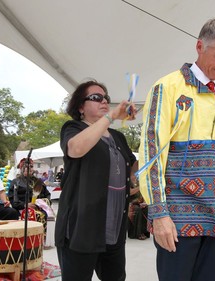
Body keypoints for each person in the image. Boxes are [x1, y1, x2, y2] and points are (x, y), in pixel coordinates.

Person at [138, 17, 215, 281]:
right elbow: (152, 156)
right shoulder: (168, 88)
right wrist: (158, 213)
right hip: (177, 220)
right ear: (199, 46)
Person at [55, 80, 138, 281]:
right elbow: (75, 149)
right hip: (81, 228)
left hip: (114, 227)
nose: (104, 101)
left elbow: (132, 167)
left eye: (106, 98)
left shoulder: (118, 137)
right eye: (96, 97)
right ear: (80, 107)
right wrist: (111, 117)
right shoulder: (73, 128)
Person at [8, 158, 52, 241]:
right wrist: (25, 205)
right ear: (21, 168)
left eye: (31, 166)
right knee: (35, 215)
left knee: (46, 214)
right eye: (26, 166)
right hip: (22, 209)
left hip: (39, 208)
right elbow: (14, 201)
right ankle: (31, 239)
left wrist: (43, 203)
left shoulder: (39, 182)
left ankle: (42, 238)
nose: (29, 168)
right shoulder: (15, 182)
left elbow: (47, 195)